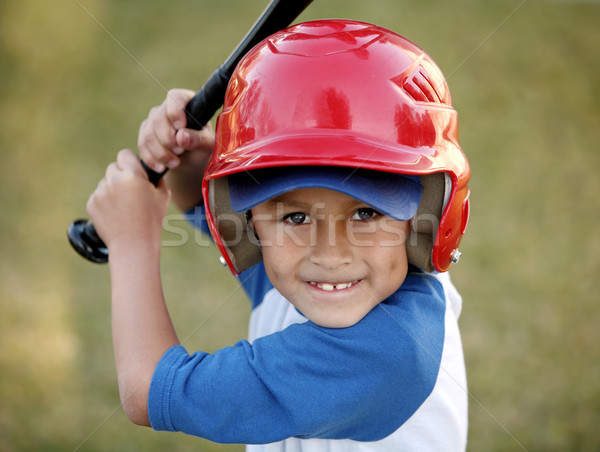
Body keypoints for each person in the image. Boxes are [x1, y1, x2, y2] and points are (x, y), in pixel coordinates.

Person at [87, 19, 471, 451]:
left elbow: (148, 391)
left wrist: (131, 244)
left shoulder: (385, 352)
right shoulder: (352, 280)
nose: (329, 254)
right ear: (252, 222)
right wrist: (191, 161)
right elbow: (210, 213)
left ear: (422, 220)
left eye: (366, 213)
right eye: (296, 218)